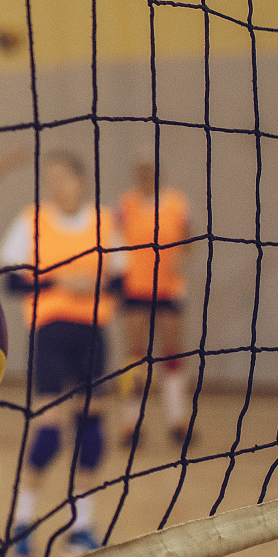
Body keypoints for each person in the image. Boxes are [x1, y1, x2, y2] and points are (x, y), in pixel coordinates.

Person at [0, 149, 126, 557]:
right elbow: (12, 285)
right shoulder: (31, 221)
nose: (56, 185)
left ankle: (82, 527)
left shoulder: (105, 222)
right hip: (49, 332)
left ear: (81, 181)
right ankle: (22, 522)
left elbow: (123, 285)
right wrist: (58, 282)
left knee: (91, 432)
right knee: (50, 430)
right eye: (50, 178)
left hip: (93, 332)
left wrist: (96, 288)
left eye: (63, 177)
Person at [114, 147, 195, 446]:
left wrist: (182, 258)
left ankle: (178, 420)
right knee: (133, 355)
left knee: (172, 352)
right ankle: (130, 423)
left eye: (150, 171)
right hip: (135, 288)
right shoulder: (126, 204)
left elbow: (190, 238)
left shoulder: (176, 202)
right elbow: (114, 238)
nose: (146, 177)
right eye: (141, 172)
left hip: (169, 288)